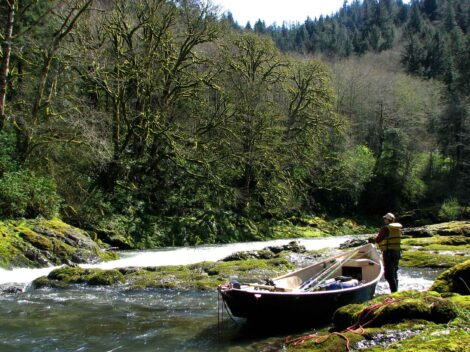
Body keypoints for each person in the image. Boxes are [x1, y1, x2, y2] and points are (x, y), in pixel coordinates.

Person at [375, 213, 402, 293]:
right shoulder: (397, 228)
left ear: (388, 220)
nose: (384, 220)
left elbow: (378, 240)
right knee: (394, 272)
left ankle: (394, 292)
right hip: (397, 252)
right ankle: (396, 291)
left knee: (388, 274)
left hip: (388, 252)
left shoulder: (385, 228)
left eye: (385, 219)